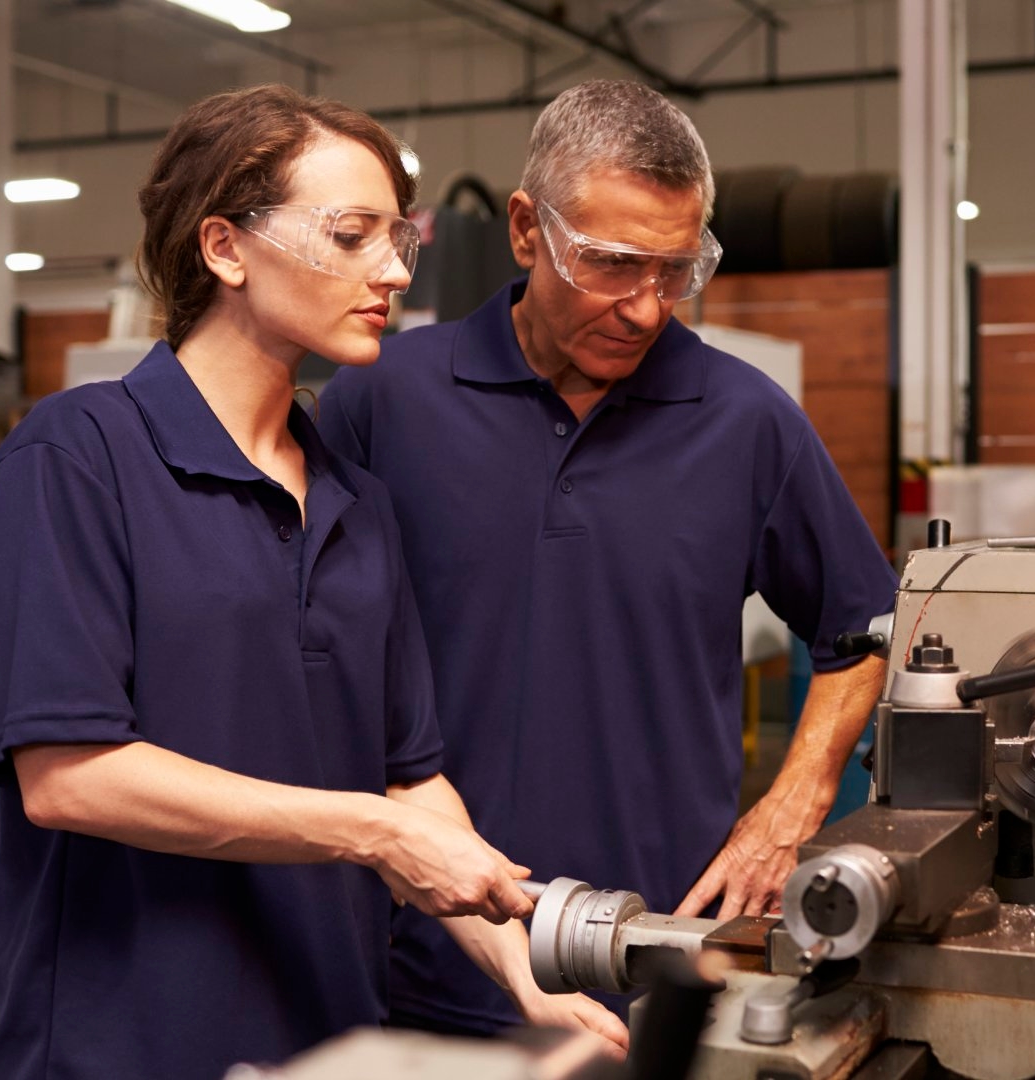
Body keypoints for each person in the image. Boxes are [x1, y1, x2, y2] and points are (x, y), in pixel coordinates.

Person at [0, 84, 624, 1079]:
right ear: (225, 248)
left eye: (401, 239)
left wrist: (523, 967)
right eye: (353, 235)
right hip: (122, 1042)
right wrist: (373, 833)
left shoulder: (356, 500)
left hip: (326, 1032)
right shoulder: (78, 456)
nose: (393, 269)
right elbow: (67, 777)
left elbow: (409, 773)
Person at [318, 79, 899, 1036]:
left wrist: (793, 802)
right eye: (612, 265)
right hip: (427, 955)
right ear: (523, 230)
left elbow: (865, 627)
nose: (644, 308)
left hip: (665, 949)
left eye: (674, 271)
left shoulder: (747, 422)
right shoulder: (383, 403)